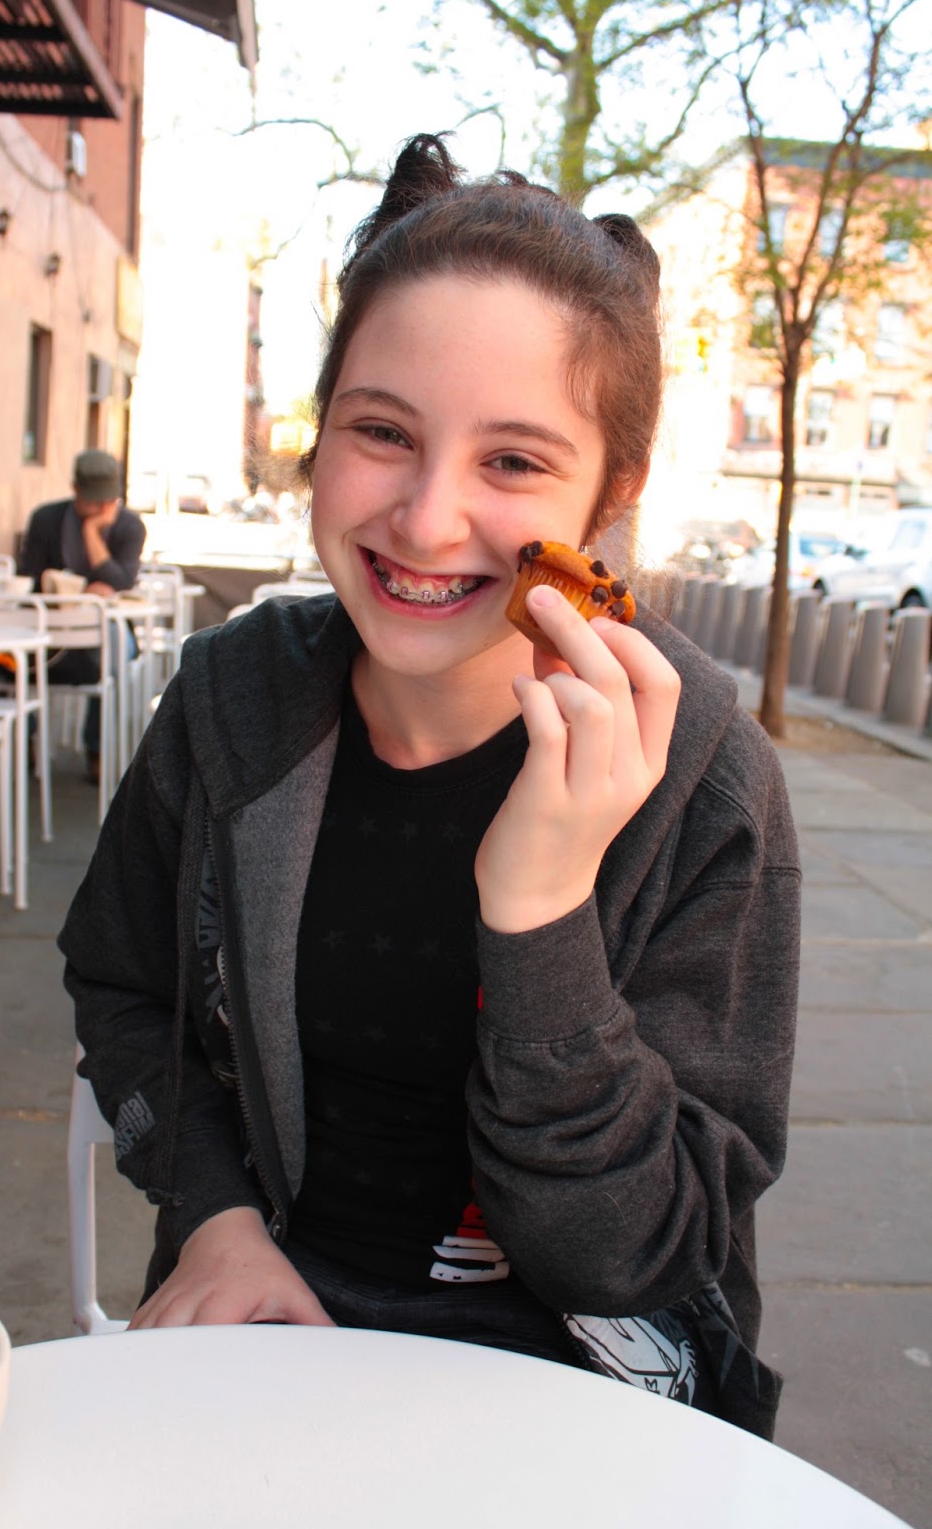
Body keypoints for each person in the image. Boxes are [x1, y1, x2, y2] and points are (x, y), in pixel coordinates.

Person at [59, 136, 800, 1438]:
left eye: (512, 461)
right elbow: (125, 990)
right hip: (264, 1346)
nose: (424, 517)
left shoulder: (701, 782)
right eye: (382, 431)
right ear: (319, 437)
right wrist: (214, 1216)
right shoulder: (230, 701)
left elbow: (637, 1254)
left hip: (585, 1411)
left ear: (609, 497)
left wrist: (540, 909)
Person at [19, 449, 145, 780]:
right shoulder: (46, 519)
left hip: (105, 630)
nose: (103, 507)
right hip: (50, 627)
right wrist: (70, 590)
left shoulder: (129, 526)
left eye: (108, 499)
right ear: (75, 489)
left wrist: (92, 533)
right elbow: (28, 577)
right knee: (8, 654)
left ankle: (96, 747)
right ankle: (24, 739)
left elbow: (122, 581)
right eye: (94, 500)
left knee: (116, 649)